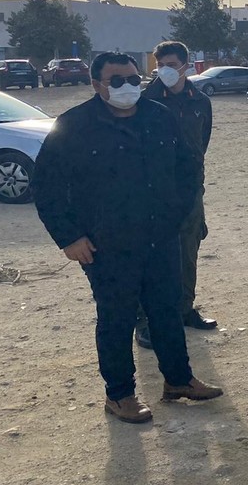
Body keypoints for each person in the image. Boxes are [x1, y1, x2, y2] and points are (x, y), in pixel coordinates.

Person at [33, 52, 223, 424]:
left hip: (159, 237)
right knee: (117, 319)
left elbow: (188, 166)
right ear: (96, 84)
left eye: (133, 80)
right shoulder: (74, 125)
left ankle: (178, 380)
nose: (127, 87)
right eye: (117, 81)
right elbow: (47, 188)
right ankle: (119, 395)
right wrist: (70, 238)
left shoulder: (159, 117)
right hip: (107, 245)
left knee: (167, 311)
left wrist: (176, 214)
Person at [134, 40, 216, 350]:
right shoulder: (145, 101)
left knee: (188, 251)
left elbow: (201, 144)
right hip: (154, 193)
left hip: (190, 190)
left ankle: (184, 309)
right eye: (160, 65)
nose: (165, 71)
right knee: (152, 258)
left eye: (171, 65)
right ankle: (146, 321)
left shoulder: (200, 101)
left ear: (186, 65)